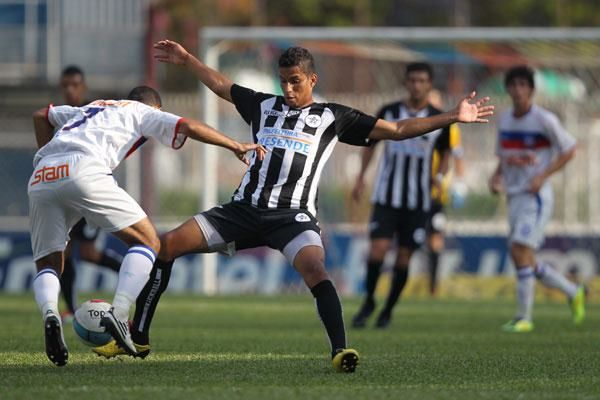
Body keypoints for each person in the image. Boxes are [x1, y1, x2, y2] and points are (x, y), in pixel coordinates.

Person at [92, 40, 493, 373]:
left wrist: (453, 116)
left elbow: (398, 130)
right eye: (283, 81)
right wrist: (189, 60)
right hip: (244, 209)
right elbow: (223, 86)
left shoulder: (332, 117)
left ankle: (340, 351)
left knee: (316, 269)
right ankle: (139, 339)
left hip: (293, 217)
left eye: (295, 82)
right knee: (166, 245)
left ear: (312, 79)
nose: (287, 89)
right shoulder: (263, 106)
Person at [29, 85, 263, 366]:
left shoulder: (90, 108)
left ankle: (51, 314)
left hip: (43, 175)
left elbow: (41, 115)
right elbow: (187, 125)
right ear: (157, 108)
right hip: (85, 169)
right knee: (149, 242)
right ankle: (119, 311)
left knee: (49, 264)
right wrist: (234, 145)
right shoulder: (142, 112)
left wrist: (48, 156)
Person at [350, 63, 452, 329]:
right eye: (413, 80)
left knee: (404, 256)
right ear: (406, 83)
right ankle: (369, 300)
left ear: (429, 85)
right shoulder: (389, 112)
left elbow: (446, 154)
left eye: (422, 81)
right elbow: (370, 145)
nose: (417, 85)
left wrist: (439, 178)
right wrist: (361, 177)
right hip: (386, 197)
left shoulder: (438, 118)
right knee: (378, 250)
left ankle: (388, 309)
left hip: (418, 200)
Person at [488, 65, 585, 333]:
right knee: (525, 256)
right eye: (514, 84)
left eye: (523, 85)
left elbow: (570, 149)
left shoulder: (544, 119)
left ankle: (524, 318)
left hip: (536, 196)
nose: (518, 90)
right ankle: (573, 291)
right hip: (515, 195)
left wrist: (543, 176)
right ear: (508, 89)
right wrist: (496, 177)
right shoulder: (505, 119)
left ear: (531, 89)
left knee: (519, 250)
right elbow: (504, 156)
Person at [57, 65, 124, 322]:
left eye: (75, 85)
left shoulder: (93, 112)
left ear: (83, 87)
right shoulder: (61, 115)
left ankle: (134, 274)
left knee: (88, 253)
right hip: (64, 189)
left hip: (88, 189)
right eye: (65, 85)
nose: (70, 90)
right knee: (63, 251)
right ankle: (72, 310)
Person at [426, 90, 467, 297]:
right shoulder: (416, 124)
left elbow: (457, 155)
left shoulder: (449, 127)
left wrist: (459, 183)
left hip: (437, 192)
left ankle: (433, 287)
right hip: (414, 190)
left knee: (435, 236)